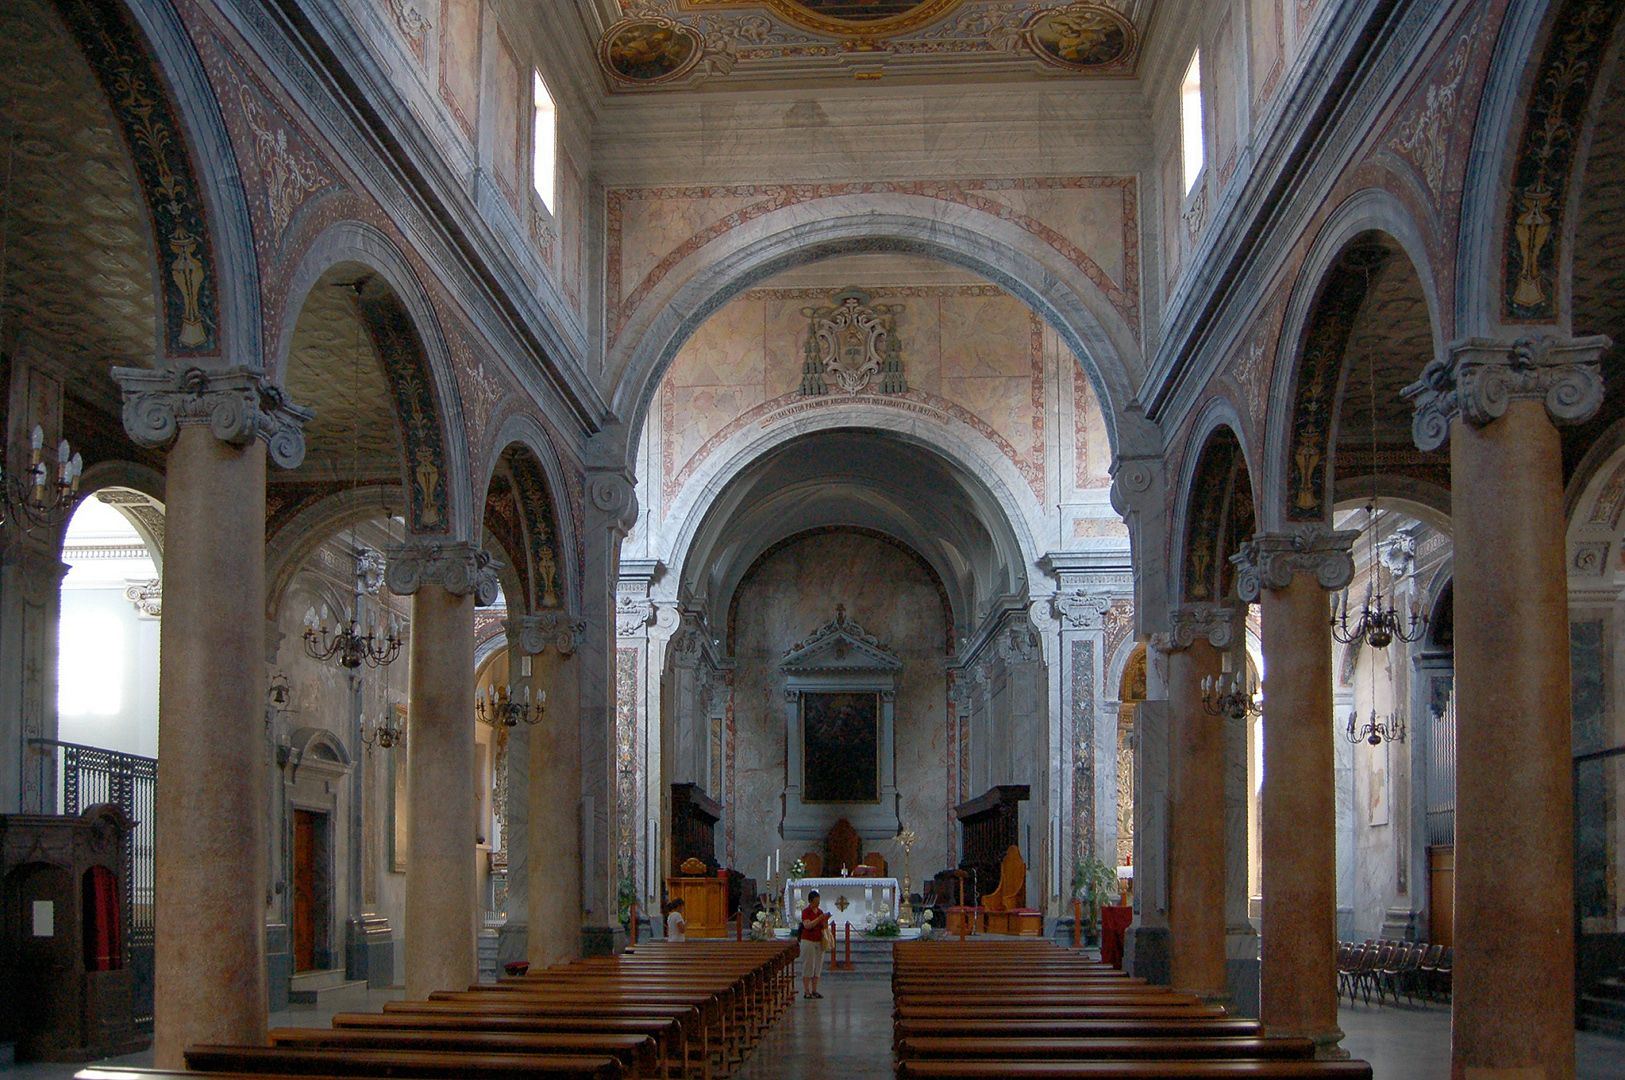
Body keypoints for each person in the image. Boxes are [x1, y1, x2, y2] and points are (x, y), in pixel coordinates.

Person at [799, 889, 831, 999]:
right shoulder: (806, 912)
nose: (818, 903)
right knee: (808, 965)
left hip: (818, 941)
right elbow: (807, 926)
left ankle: (815, 989)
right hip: (808, 941)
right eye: (816, 901)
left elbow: (824, 927)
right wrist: (818, 919)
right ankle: (806, 990)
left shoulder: (820, 912)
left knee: (817, 966)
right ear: (810, 901)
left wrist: (825, 920)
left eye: (819, 901)